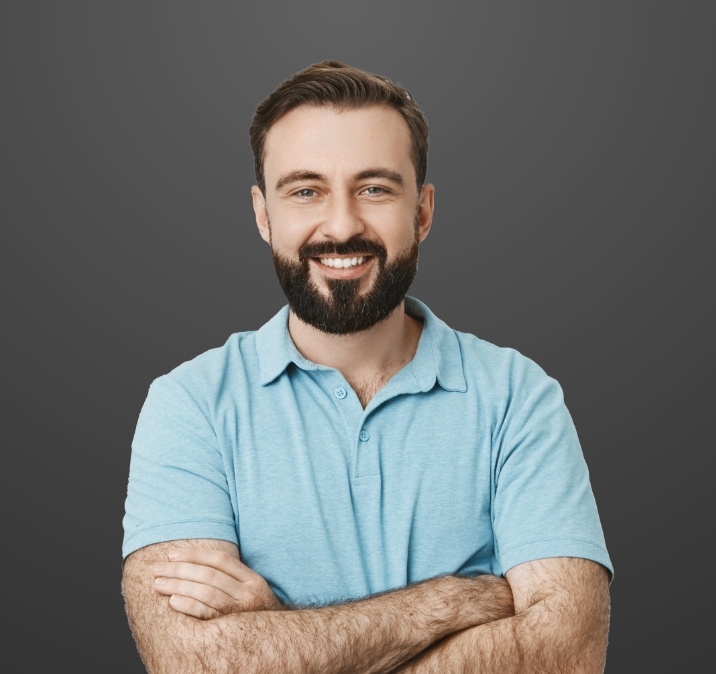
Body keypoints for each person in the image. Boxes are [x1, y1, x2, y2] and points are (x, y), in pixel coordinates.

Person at [120, 60, 613, 673]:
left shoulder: (519, 397)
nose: (342, 224)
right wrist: (457, 599)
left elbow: (566, 653)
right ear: (262, 214)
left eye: (374, 188)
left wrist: (281, 635)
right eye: (306, 190)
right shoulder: (189, 405)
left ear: (424, 212)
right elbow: (194, 665)